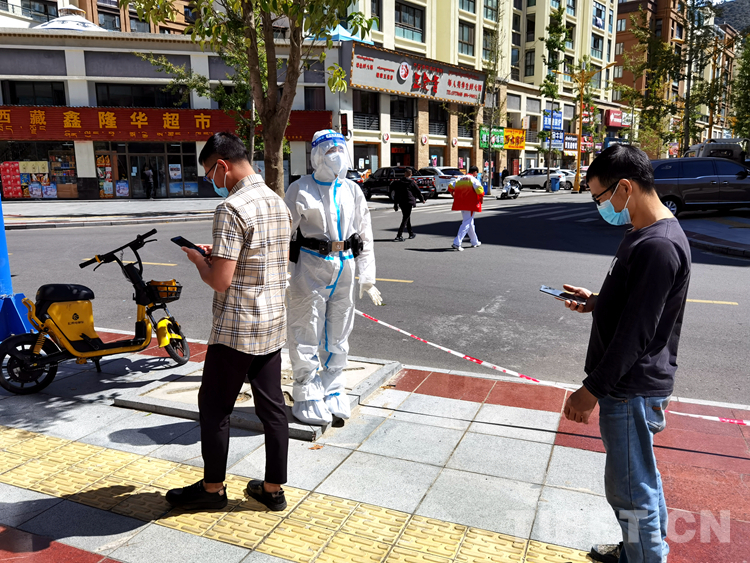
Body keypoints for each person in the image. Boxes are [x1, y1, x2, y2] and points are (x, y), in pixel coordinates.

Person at [561, 145, 691, 563]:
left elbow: (637, 333)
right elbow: (636, 304)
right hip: (627, 386)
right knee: (639, 482)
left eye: (599, 197)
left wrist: (591, 390)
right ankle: (639, 549)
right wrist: (598, 302)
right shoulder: (641, 231)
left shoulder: (658, 245)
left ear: (624, 188)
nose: (599, 206)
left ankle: (645, 556)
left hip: (628, 389)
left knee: (631, 492)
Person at [166, 132, 292, 512]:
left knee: (215, 406)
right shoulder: (277, 202)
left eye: (210, 174)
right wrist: (217, 255)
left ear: (222, 165)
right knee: (272, 407)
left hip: (236, 328)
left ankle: (212, 489)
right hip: (272, 323)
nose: (212, 182)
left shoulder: (231, 208)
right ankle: (272, 489)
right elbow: (258, 259)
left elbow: (220, 280)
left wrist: (198, 260)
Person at [284, 129, 382, 426]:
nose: (336, 155)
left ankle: (333, 387)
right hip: (311, 267)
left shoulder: (352, 190)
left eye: (340, 148)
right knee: (306, 328)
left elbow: (364, 234)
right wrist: (281, 274)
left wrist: (367, 275)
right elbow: (283, 233)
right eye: (329, 150)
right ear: (316, 155)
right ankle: (306, 392)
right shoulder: (300, 189)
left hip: (345, 265)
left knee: (339, 330)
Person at [448, 165, 484, 251]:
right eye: (477, 173)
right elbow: (480, 191)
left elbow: (450, 187)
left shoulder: (460, 178)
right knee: (467, 223)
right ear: (475, 172)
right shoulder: (473, 180)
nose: (477, 174)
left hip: (461, 203)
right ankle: (457, 242)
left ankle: (475, 241)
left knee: (469, 222)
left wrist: (454, 196)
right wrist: (481, 201)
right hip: (470, 204)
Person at [392, 168, 425, 241]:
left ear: (405, 174)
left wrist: (395, 204)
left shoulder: (399, 182)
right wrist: (422, 199)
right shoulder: (411, 182)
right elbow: (418, 191)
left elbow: (396, 194)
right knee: (405, 218)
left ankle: (411, 233)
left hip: (401, 202)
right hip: (408, 202)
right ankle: (399, 235)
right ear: (411, 175)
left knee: (407, 217)